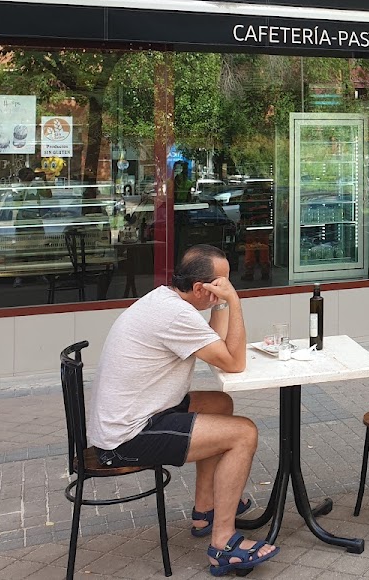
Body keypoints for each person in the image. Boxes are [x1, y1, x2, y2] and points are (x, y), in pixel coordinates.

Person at [87, 244, 279, 574]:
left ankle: (205, 509)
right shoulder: (175, 315)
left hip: (137, 413)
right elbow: (234, 362)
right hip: (126, 437)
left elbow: (216, 345)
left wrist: (218, 303)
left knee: (221, 404)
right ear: (201, 287)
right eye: (223, 283)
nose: (228, 287)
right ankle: (223, 544)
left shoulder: (168, 300)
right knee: (244, 433)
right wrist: (234, 302)